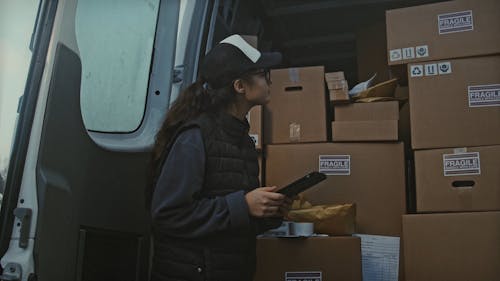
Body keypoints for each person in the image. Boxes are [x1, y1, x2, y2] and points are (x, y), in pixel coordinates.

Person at [148, 34, 293, 281]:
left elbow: (231, 221)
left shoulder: (242, 139)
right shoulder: (195, 138)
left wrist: (268, 212)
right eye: (262, 74)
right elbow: (167, 215)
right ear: (239, 86)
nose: (269, 80)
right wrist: (244, 205)